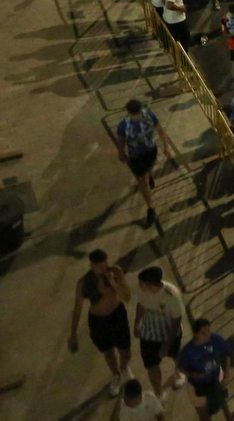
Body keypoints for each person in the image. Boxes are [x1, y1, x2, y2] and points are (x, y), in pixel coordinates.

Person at [70, 250, 135, 397]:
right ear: (91, 265)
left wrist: (113, 283)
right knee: (108, 351)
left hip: (117, 315)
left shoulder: (115, 272)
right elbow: (77, 308)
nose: (103, 268)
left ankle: (124, 368)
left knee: (125, 350)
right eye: (98, 266)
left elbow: (127, 296)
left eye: (104, 263)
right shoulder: (84, 283)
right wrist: (73, 334)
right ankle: (116, 375)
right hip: (98, 321)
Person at [115, 98, 180, 227]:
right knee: (142, 180)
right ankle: (151, 208)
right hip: (140, 155)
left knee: (147, 171)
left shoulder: (127, 124)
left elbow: (160, 131)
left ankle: (149, 176)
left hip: (147, 153)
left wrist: (121, 153)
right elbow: (160, 131)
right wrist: (121, 153)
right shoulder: (131, 123)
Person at [133, 266, 188, 394]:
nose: (139, 285)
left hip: (169, 334)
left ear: (150, 284)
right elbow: (140, 305)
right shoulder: (142, 291)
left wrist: (166, 346)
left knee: (175, 355)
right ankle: (158, 392)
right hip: (149, 334)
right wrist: (137, 323)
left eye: (142, 282)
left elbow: (176, 321)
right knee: (151, 365)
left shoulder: (171, 294)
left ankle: (178, 372)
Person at [176, 317, 234, 420]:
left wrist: (226, 376)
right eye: (203, 333)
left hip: (215, 382)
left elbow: (226, 355)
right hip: (197, 387)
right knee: (204, 415)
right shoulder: (187, 351)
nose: (207, 335)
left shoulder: (216, 340)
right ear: (195, 334)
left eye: (208, 331)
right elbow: (180, 367)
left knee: (217, 406)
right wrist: (192, 375)